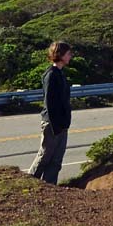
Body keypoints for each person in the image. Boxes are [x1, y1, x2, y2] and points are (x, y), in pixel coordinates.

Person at [28, 41, 73, 184]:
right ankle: (30, 182)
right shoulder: (51, 75)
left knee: (56, 160)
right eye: (68, 53)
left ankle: (49, 187)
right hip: (52, 124)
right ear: (60, 55)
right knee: (45, 156)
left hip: (62, 123)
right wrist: (55, 127)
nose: (70, 56)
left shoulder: (60, 73)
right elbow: (50, 103)